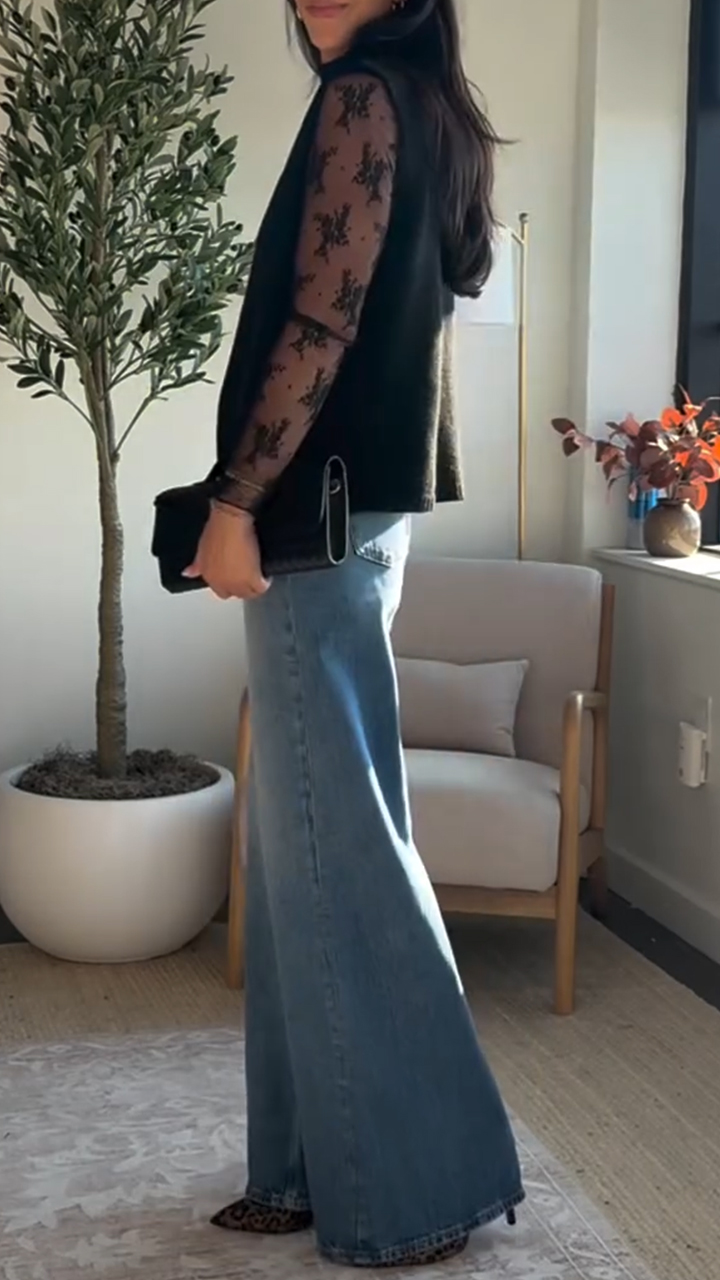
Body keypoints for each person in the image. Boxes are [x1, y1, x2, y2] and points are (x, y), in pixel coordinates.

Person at [187, 0, 524, 1268]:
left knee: (341, 851)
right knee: (300, 851)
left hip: (314, 517)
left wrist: (235, 500)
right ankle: (299, 1168)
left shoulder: (362, 98)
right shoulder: (436, 113)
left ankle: (426, 1181)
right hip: (363, 514)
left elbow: (321, 321)